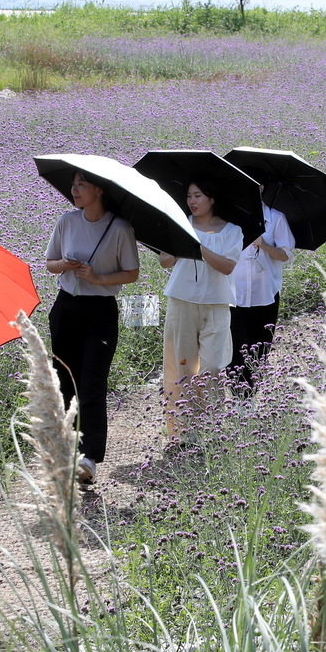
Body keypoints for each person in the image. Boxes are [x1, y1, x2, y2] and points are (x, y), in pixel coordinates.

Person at [43, 170, 140, 484]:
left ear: (99, 189)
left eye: (81, 184)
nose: (74, 190)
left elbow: (131, 273)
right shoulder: (66, 222)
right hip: (66, 306)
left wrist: (97, 278)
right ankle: (66, 450)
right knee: (64, 382)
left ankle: (89, 456)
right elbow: (50, 263)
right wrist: (65, 265)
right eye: (72, 184)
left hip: (100, 311)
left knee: (92, 385)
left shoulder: (120, 228)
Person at [159, 178, 242, 439]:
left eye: (198, 196)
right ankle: (186, 432)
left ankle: (213, 428)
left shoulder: (232, 231)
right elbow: (165, 261)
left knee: (214, 367)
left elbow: (227, 266)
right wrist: (182, 239)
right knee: (184, 367)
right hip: (182, 301)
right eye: (189, 196)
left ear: (212, 199)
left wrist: (199, 247)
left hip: (216, 304)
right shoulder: (180, 224)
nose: (193, 201)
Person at [229, 188, 295, 395]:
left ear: (262, 188)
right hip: (233, 293)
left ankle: (251, 396)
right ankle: (240, 398)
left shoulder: (275, 218)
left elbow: (285, 255)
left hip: (265, 293)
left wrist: (264, 245)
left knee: (260, 348)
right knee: (235, 348)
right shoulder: (230, 217)